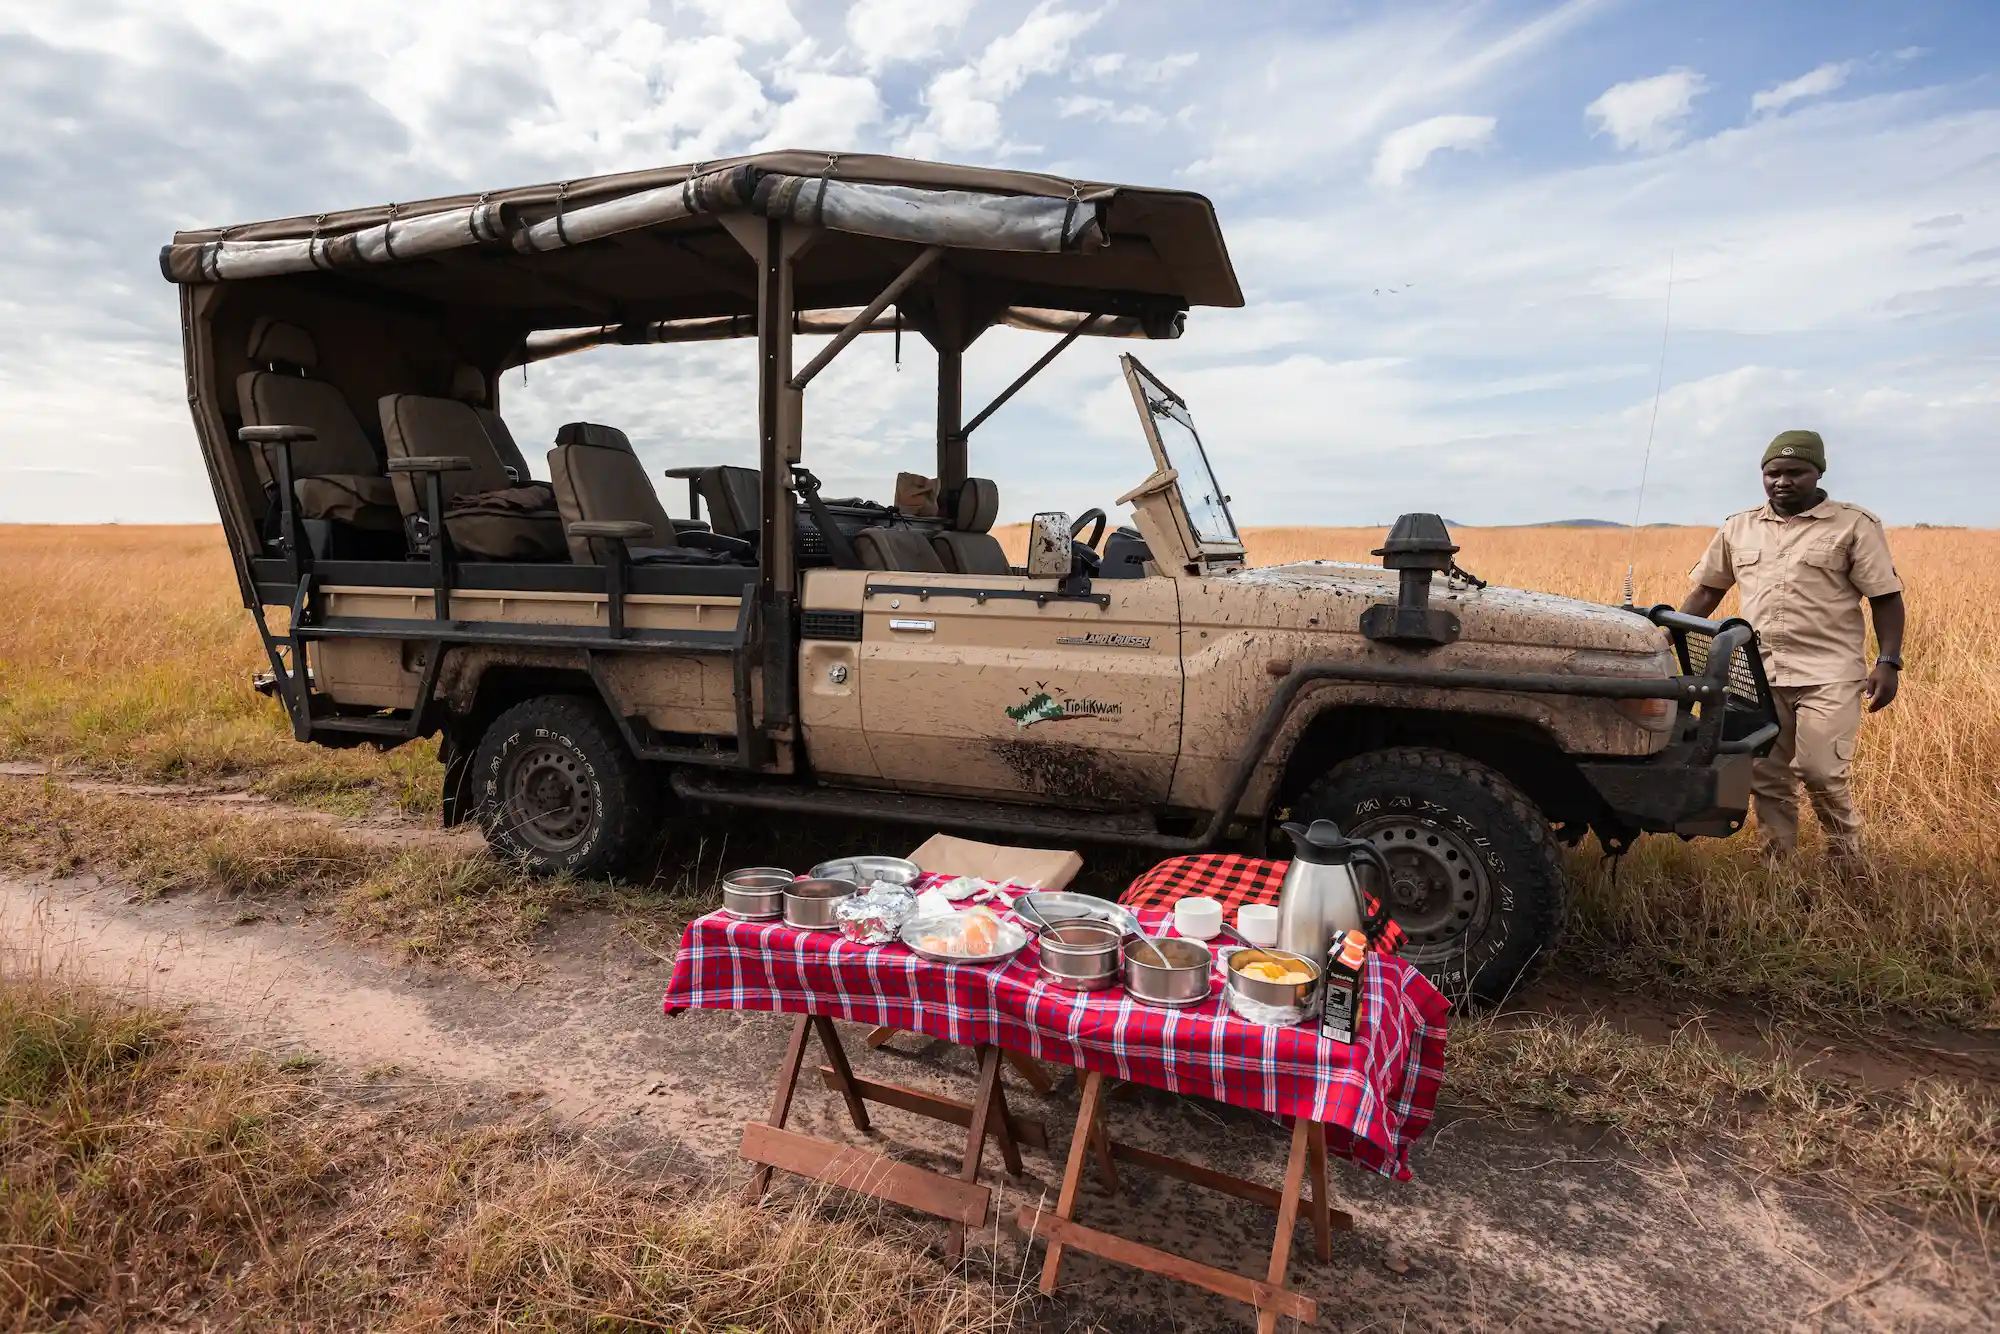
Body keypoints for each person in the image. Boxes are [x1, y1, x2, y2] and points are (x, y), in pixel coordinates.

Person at [1680, 429, 1904, 868]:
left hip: (1829, 673)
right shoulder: (1738, 527)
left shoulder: (1854, 525)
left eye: (1795, 472)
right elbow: (1707, 593)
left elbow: (1886, 598)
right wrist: (1661, 637)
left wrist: (1888, 662)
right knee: (1766, 776)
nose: (1782, 482)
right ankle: (1777, 868)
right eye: (1772, 473)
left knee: (1821, 771)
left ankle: (1846, 863)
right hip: (1758, 673)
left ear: (1818, 473)